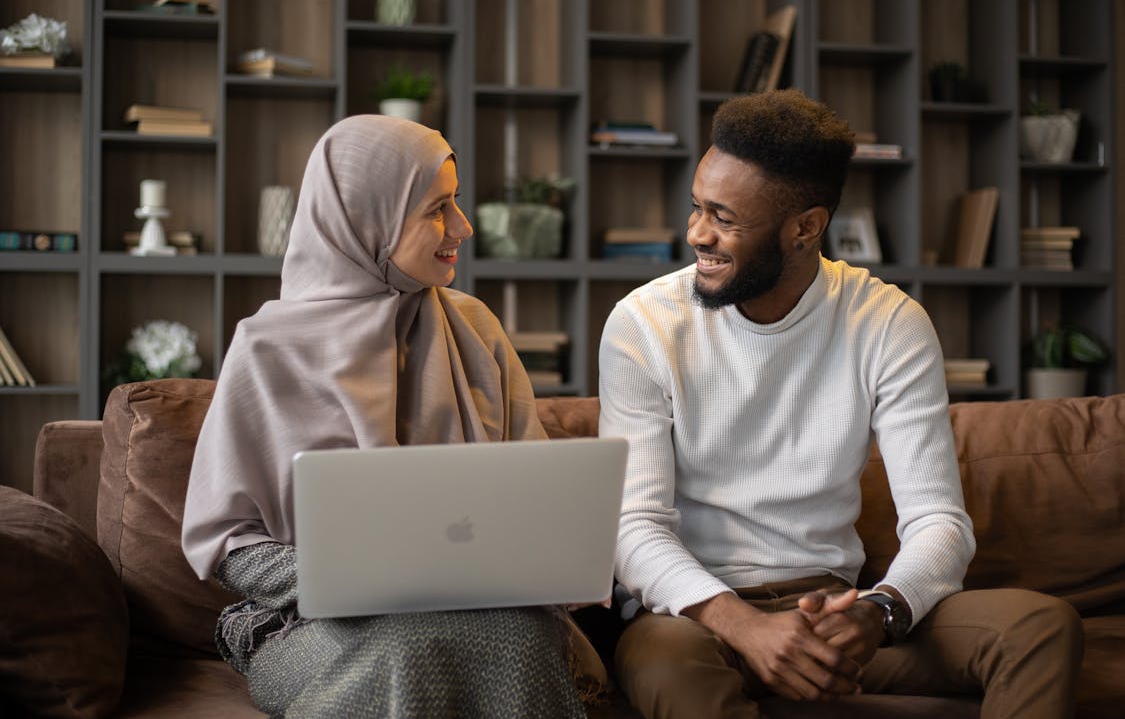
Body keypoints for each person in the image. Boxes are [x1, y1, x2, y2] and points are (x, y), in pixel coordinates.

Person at [598, 90, 1084, 719]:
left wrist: (877, 613)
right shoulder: (642, 325)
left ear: (805, 227)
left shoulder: (887, 323)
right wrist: (746, 628)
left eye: (723, 217)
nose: (696, 233)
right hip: (695, 620)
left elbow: (939, 522)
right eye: (696, 207)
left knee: (1039, 627)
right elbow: (634, 528)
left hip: (831, 608)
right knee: (663, 664)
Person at [182, 115, 596, 718]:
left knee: (524, 638)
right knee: (406, 646)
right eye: (437, 209)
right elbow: (228, 545)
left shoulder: (473, 328)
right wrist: (353, 578)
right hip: (308, 623)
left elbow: (534, 496)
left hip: (487, 610)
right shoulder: (267, 349)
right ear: (364, 217)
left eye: (457, 203)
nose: (463, 227)